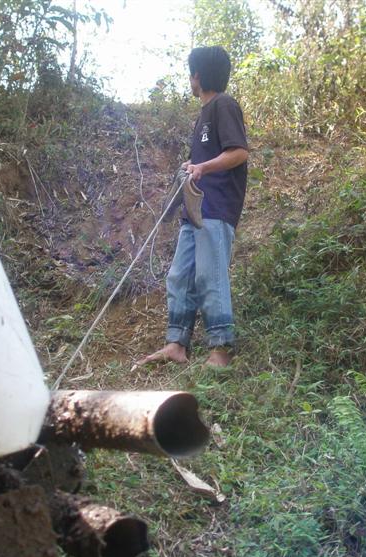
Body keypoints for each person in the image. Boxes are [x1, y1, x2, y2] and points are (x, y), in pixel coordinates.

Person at [139, 46, 249, 368]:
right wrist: (192, 165)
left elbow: (239, 152)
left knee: (209, 275)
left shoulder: (223, 105)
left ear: (197, 75)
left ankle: (221, 350)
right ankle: (176, 344)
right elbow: (207, 158)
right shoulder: (203, 115)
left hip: (216, 207)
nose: (190, 79)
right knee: (180, 276)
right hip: (195, 211)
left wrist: (202, 167)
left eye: (191, 74)